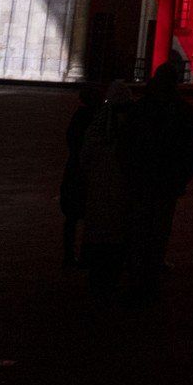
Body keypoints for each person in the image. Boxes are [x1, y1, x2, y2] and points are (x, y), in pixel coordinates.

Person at [121, 59, 193, 302]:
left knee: (138, 228)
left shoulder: (141, 106)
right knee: (159, 230)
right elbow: (192, 148)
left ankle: (134, 276)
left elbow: (125, 143)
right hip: (166, 181)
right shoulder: (182, 110)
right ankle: (150, 278)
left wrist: (128, 172)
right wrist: (182, 178)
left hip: (141, 178)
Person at [78, 82, 134, 298]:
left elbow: (84, 158)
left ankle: (95, 277)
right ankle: (111, 278)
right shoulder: (131, 129)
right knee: (117, 232)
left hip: (99, 189)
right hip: (121, 189)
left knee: (98, 231)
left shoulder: (98, 128)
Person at [59, 82, 102, 267]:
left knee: (72, 217)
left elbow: (71, 141)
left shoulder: (79, 116)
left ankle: (69, 254)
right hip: (89, 172)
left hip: (74, 169)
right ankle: (86, 254)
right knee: (90, 216)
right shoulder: (98, 118)